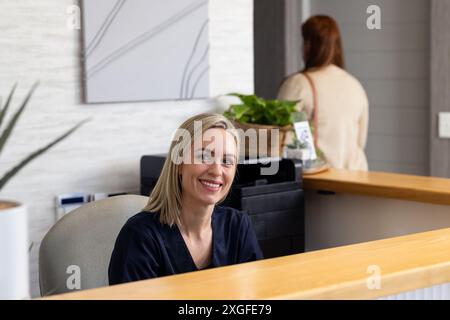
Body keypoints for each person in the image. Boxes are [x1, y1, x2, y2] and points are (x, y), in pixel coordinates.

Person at [108, 113, 263, 284]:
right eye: (204, 156)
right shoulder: (140, 236)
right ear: (179, 163)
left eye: (227, 161)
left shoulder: (237, 227)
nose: (217, 171)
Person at [278, 15, 369, 171]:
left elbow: (281, 141)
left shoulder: (298, 84)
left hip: (319, 183)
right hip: (357, 180)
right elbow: (360, 142)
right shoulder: (355, 85)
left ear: (308, 45)